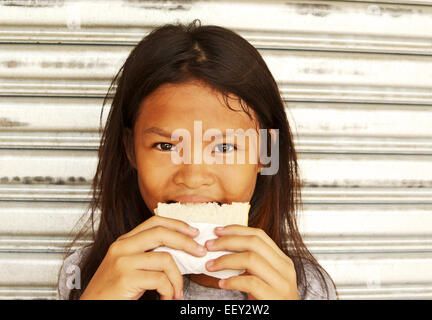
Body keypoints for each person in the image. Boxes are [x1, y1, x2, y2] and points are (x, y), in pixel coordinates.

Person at [57, 19, 337, 300]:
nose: (192, 177)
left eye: (225, 147)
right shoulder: (91, 273)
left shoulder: (303, 286)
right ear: (131, 150)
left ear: (266, 152)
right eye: (166, 145)